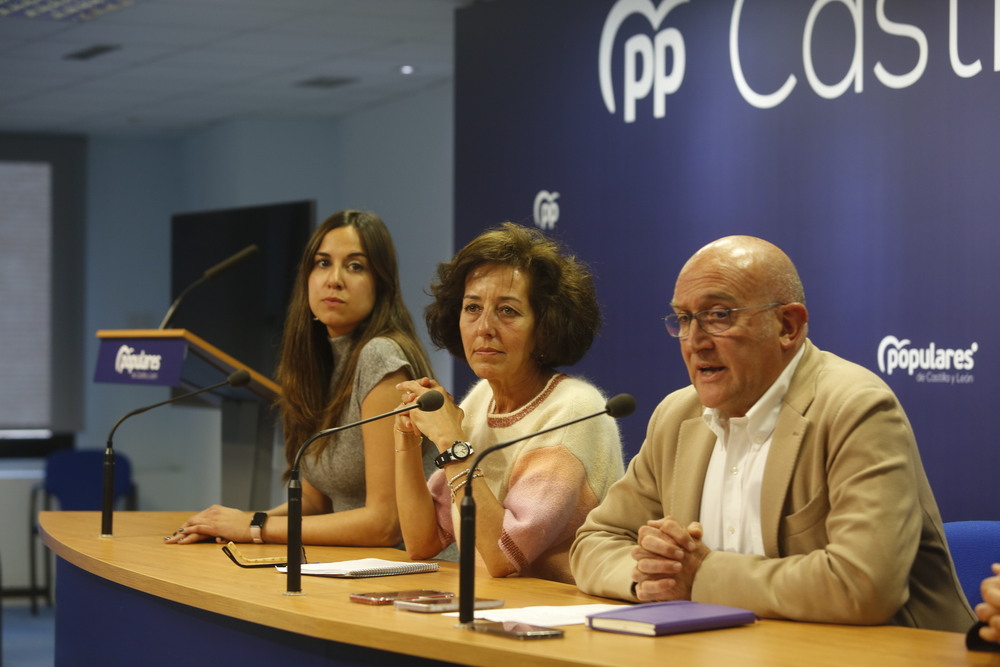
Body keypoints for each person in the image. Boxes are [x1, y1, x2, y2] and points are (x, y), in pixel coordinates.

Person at [570, 235, 975, 631]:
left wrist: (700, 575)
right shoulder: (678, 416)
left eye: (719, 316)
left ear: (787, 325)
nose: (694, 342)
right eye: (683, 319)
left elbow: (864, 584)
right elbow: (594, 541)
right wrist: (652, 577)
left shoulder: (855, 408)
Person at [165, 210, 435, 547]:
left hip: (411, 572)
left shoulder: (380, 357)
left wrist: (252, 525)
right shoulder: (317, 363)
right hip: (349, 565)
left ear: (381, 284)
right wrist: (227, 523)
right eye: (322, 263)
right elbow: (314, 504)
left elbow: (385, 525)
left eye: (355, 266)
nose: (334, 279)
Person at [392, 222, 625, 584]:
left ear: (544, 328)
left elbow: (501, 555)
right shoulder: (483, 398)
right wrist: (406, 441)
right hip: (496, 604)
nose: (484, 326)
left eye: (508, 311)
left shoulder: (574, 410)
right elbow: (421, 542)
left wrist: (451, 444)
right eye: (472, 308)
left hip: (562, 614)